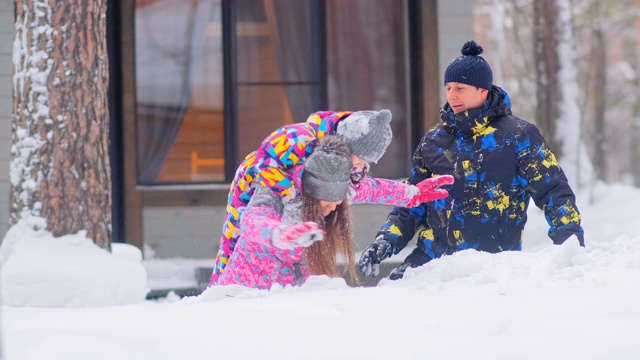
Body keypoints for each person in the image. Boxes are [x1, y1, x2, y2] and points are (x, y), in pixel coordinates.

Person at [359, 40, 585, 280]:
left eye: (460, 88)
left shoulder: (518, 137)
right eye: (448, 88)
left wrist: (570, 250)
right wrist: (384, 242)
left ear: (482, 90)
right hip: (430, 262)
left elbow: (554, 192)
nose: (451, 95)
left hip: (489, 269)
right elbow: (411, 203)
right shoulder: (433, 141)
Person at [210, 109, 417, 285]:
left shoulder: (337, 166)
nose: (364, 165)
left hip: (285, 268)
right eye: (362, 159)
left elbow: (366, 188)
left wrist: (410, 193)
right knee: (232, 240)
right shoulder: (301, 142)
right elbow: (263, 168)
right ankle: (215, 286)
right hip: (256, 177)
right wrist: (290, 198)